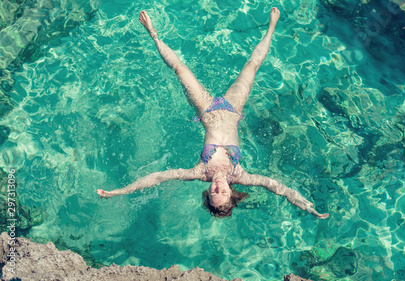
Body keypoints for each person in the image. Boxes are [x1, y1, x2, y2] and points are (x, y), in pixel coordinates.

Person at [96, 8, 329, 219]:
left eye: (214, 192)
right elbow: (276, 186)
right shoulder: (241, 176)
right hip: (233, 108)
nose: (218, 186)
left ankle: (153, 33)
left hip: (205, 109)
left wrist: (120, 191)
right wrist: (305, 206)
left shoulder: (199, 171)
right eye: (223, 191)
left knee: (179, 69)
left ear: (207, 193)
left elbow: (157, 177)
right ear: (231, 191)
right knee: (252, 66)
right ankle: (271, 28)